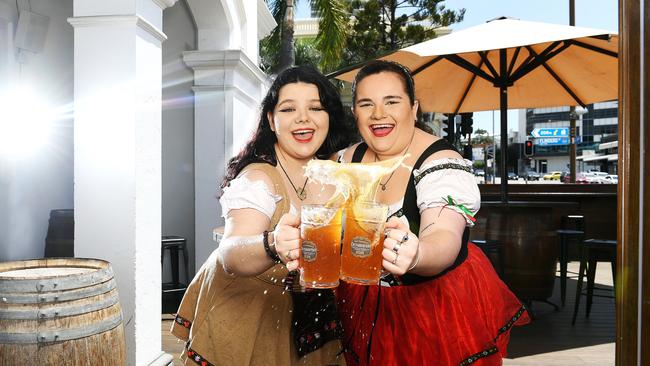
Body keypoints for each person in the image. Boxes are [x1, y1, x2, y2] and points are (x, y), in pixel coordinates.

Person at [337, 60, 530, 365]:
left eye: (392, 101)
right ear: (355, 113)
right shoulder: (347, 159)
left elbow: (444, 235)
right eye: (366, 104)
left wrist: (417, 255)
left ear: (413, 109)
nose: (378, 114)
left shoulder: (440, 162)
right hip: (363, 304)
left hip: (432, 309)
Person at [170, 65, 352, 366]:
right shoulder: (258, 178)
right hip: (247, 315)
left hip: (311, 317)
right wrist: (272, 244)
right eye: (289, 108)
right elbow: (231, 251)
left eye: (315, 108)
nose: (303, 117)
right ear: (271, 119)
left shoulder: (334, 169)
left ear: (328, 116)